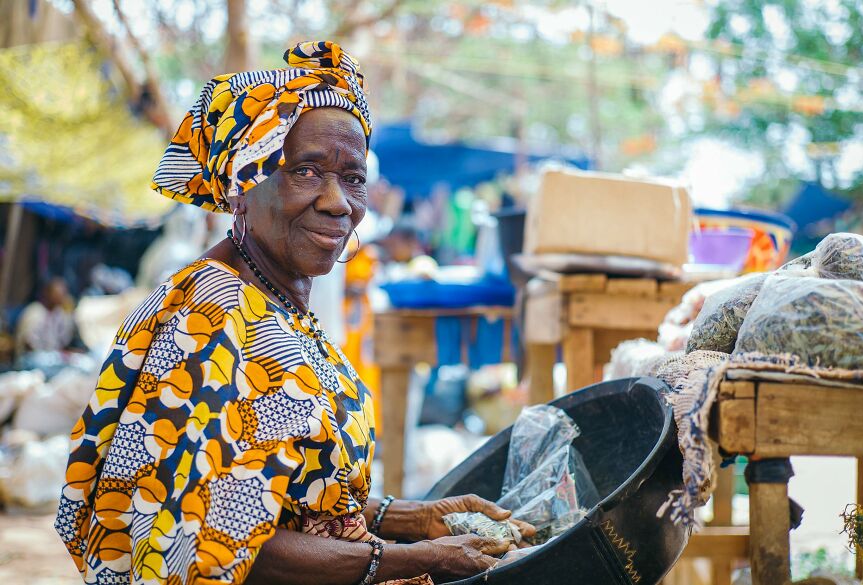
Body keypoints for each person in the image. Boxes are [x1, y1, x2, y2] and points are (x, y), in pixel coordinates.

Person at [55, 41, 533, 585]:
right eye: (306, 171)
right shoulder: (206, 317)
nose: (338, 202)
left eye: (353, 178)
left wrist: (410, 516)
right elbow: (210, 541)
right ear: (243, 184)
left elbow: (285, 498)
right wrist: (412, 559)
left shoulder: (277, 304)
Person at [15, 277, 82, 358]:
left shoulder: (60, 313)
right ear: (47, 293)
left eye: (63, 294)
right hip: (31, 359)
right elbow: (29, 345)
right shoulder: (34, 312)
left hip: (51, 358)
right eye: (57, 294)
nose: (60, 297)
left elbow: (63, 341)